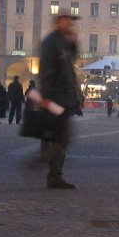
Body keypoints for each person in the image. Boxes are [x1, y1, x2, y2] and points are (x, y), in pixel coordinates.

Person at [38, 14, 82, 189]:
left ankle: (51, 166)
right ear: (58, 22)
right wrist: (46, 98)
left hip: (64, 97)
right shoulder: (51, 42)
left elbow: (72, 60)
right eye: (67, 21)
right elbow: (47, 70)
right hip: (56, 97)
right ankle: (53, 173)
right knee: (62, 135)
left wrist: (73, 41)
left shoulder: (63, 41)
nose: (70, 24)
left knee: (60, 135)